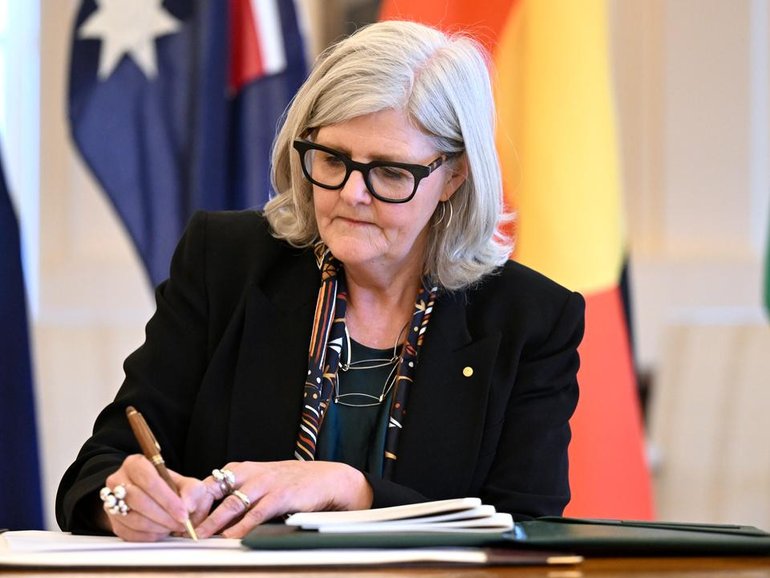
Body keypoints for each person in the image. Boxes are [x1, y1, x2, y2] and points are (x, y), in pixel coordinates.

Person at [56, 20, 584, 542]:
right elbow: (99, 468)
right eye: (332, 159)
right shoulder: (224, 263)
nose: (352, 193)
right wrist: (121, 501)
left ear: (453, 176)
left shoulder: (531, 318)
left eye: (391, 172)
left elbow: (529, 532)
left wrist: (353, 489)